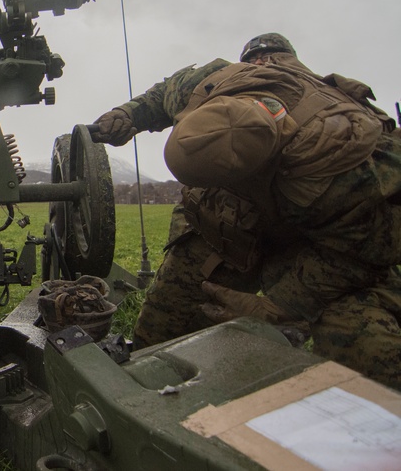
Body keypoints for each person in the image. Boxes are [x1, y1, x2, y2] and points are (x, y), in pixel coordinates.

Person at [91, 33, 401, 389]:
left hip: (322, 245)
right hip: (226, 226)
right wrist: (127, 115)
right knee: (162, 333)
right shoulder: (211, 82)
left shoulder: (348, 155)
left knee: (367, 347)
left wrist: (284, 304)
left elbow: (366, 253)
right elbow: (163, 95)